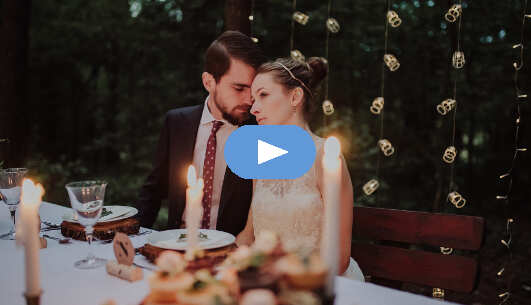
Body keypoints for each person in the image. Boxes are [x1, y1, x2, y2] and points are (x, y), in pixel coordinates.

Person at [236, 57, 364, 280]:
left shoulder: (326, 157)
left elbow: (339, 258)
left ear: (295, 96)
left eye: (263, 95)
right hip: (270, 280)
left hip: (322, 283)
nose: (254, 109)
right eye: (253, 100)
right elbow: (248, 236)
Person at [135, 31, 266, 235]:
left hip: (231, 252)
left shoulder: (260, 132)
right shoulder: (177, 122)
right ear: (208, 82)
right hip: (177, 243)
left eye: (254, 90)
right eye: (239, 88)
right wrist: (134, 239)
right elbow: (153, 189)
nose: (250, 100)